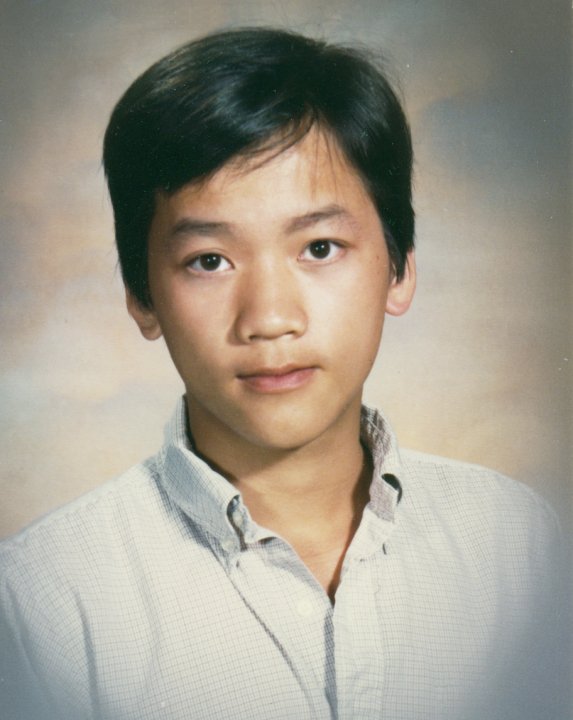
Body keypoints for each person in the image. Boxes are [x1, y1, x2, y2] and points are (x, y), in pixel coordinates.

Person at [0, 27, 567, 720]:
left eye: (319, 248)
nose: (269, 319)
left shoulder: (516, 543)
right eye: (209, 261)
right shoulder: (43, 605)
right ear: (142, 297)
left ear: (399, 269)